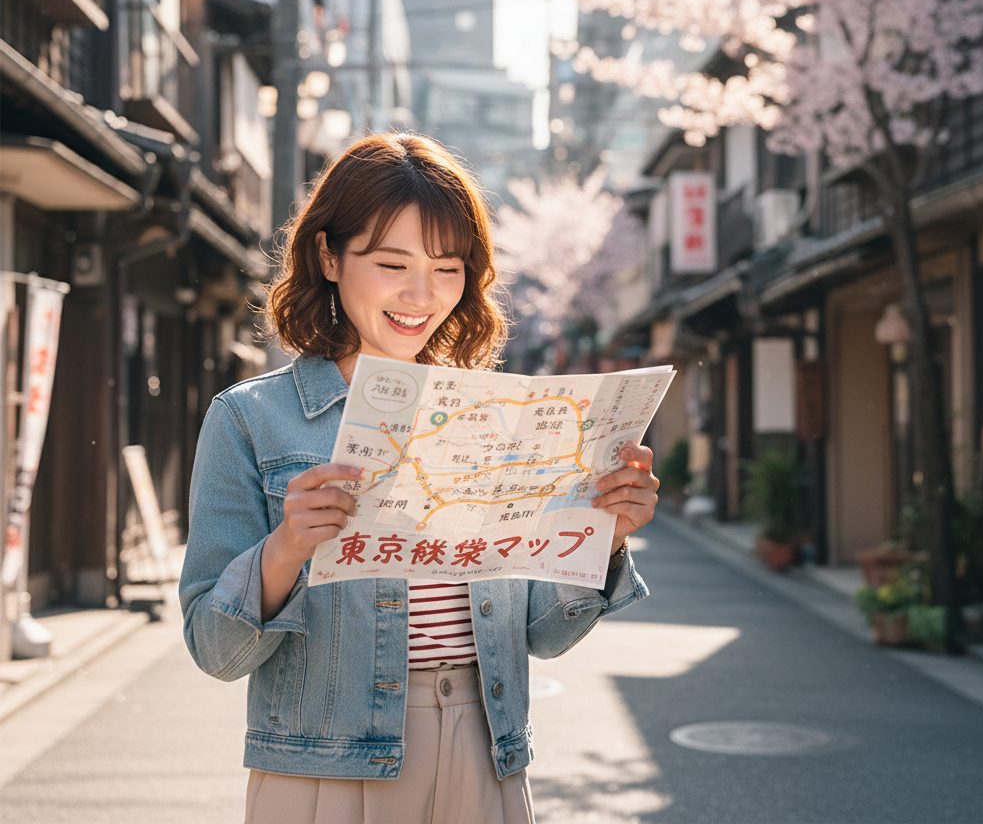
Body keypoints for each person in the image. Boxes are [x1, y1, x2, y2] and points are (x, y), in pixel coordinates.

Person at [179, 132, 661, 824]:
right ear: (329, 256)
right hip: (325, 766)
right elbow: (215, 650)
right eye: (391, 262)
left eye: (447, 268)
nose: (420, 294)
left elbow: (544, 634)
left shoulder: (500, 416)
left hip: (485, 748)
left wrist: (604, 538)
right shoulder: (253, 419)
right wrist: (287, 549)